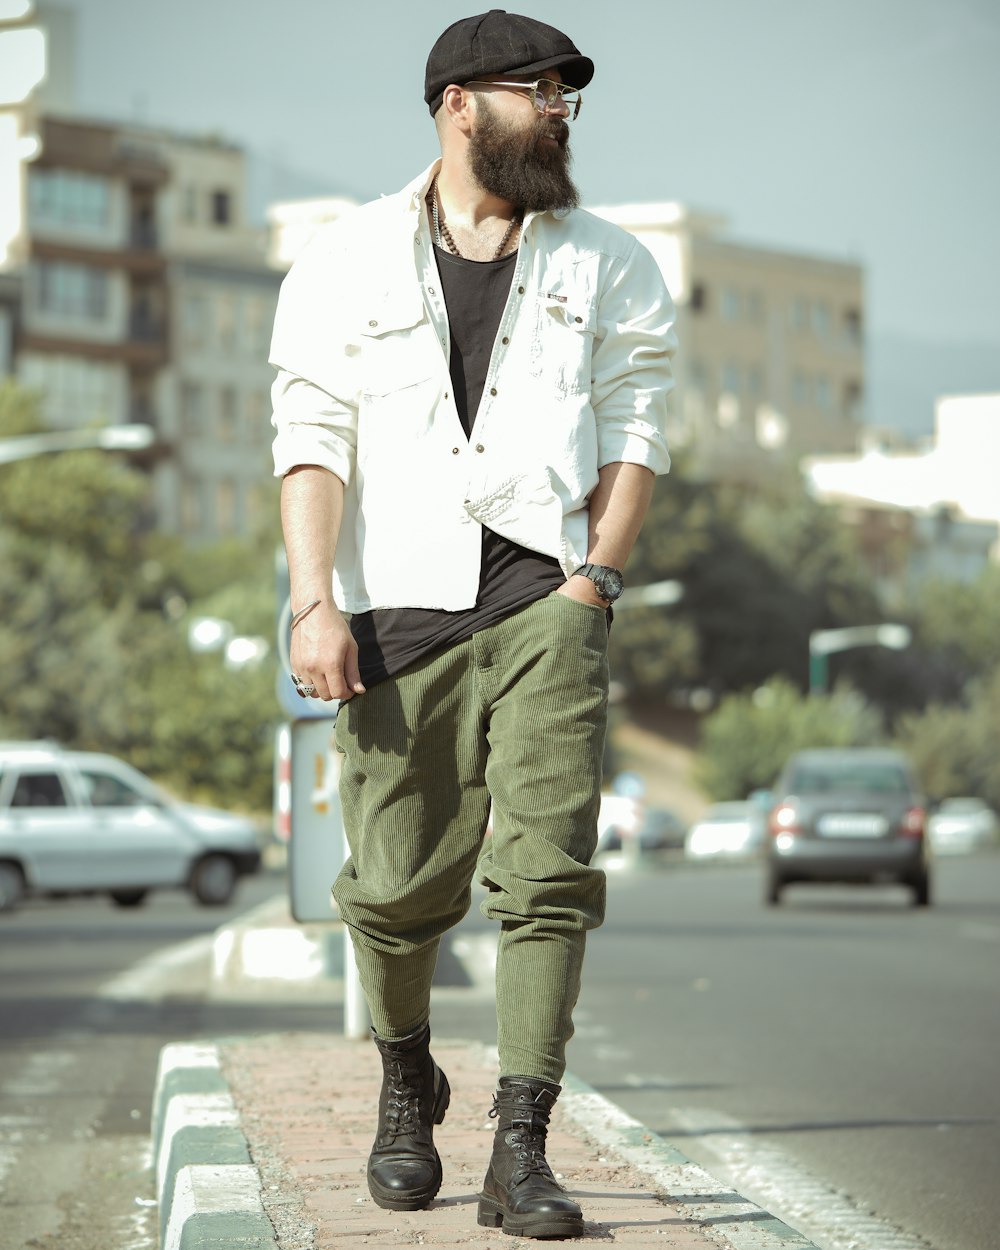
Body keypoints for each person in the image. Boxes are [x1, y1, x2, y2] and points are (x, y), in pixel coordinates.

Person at [269, 9, 676, 1239]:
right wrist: (312, 599)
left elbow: (638, 426)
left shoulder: (609, 260)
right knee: (391, 892)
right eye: (535, 88)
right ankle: (407, 1084)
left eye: (567, 93)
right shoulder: (341, 260)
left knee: (546, 876)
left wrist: (594, 578)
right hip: (395, 607)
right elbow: (310, 440)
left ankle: (520, 1146)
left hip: (546, 600)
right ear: (458, 105)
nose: (557, 108)